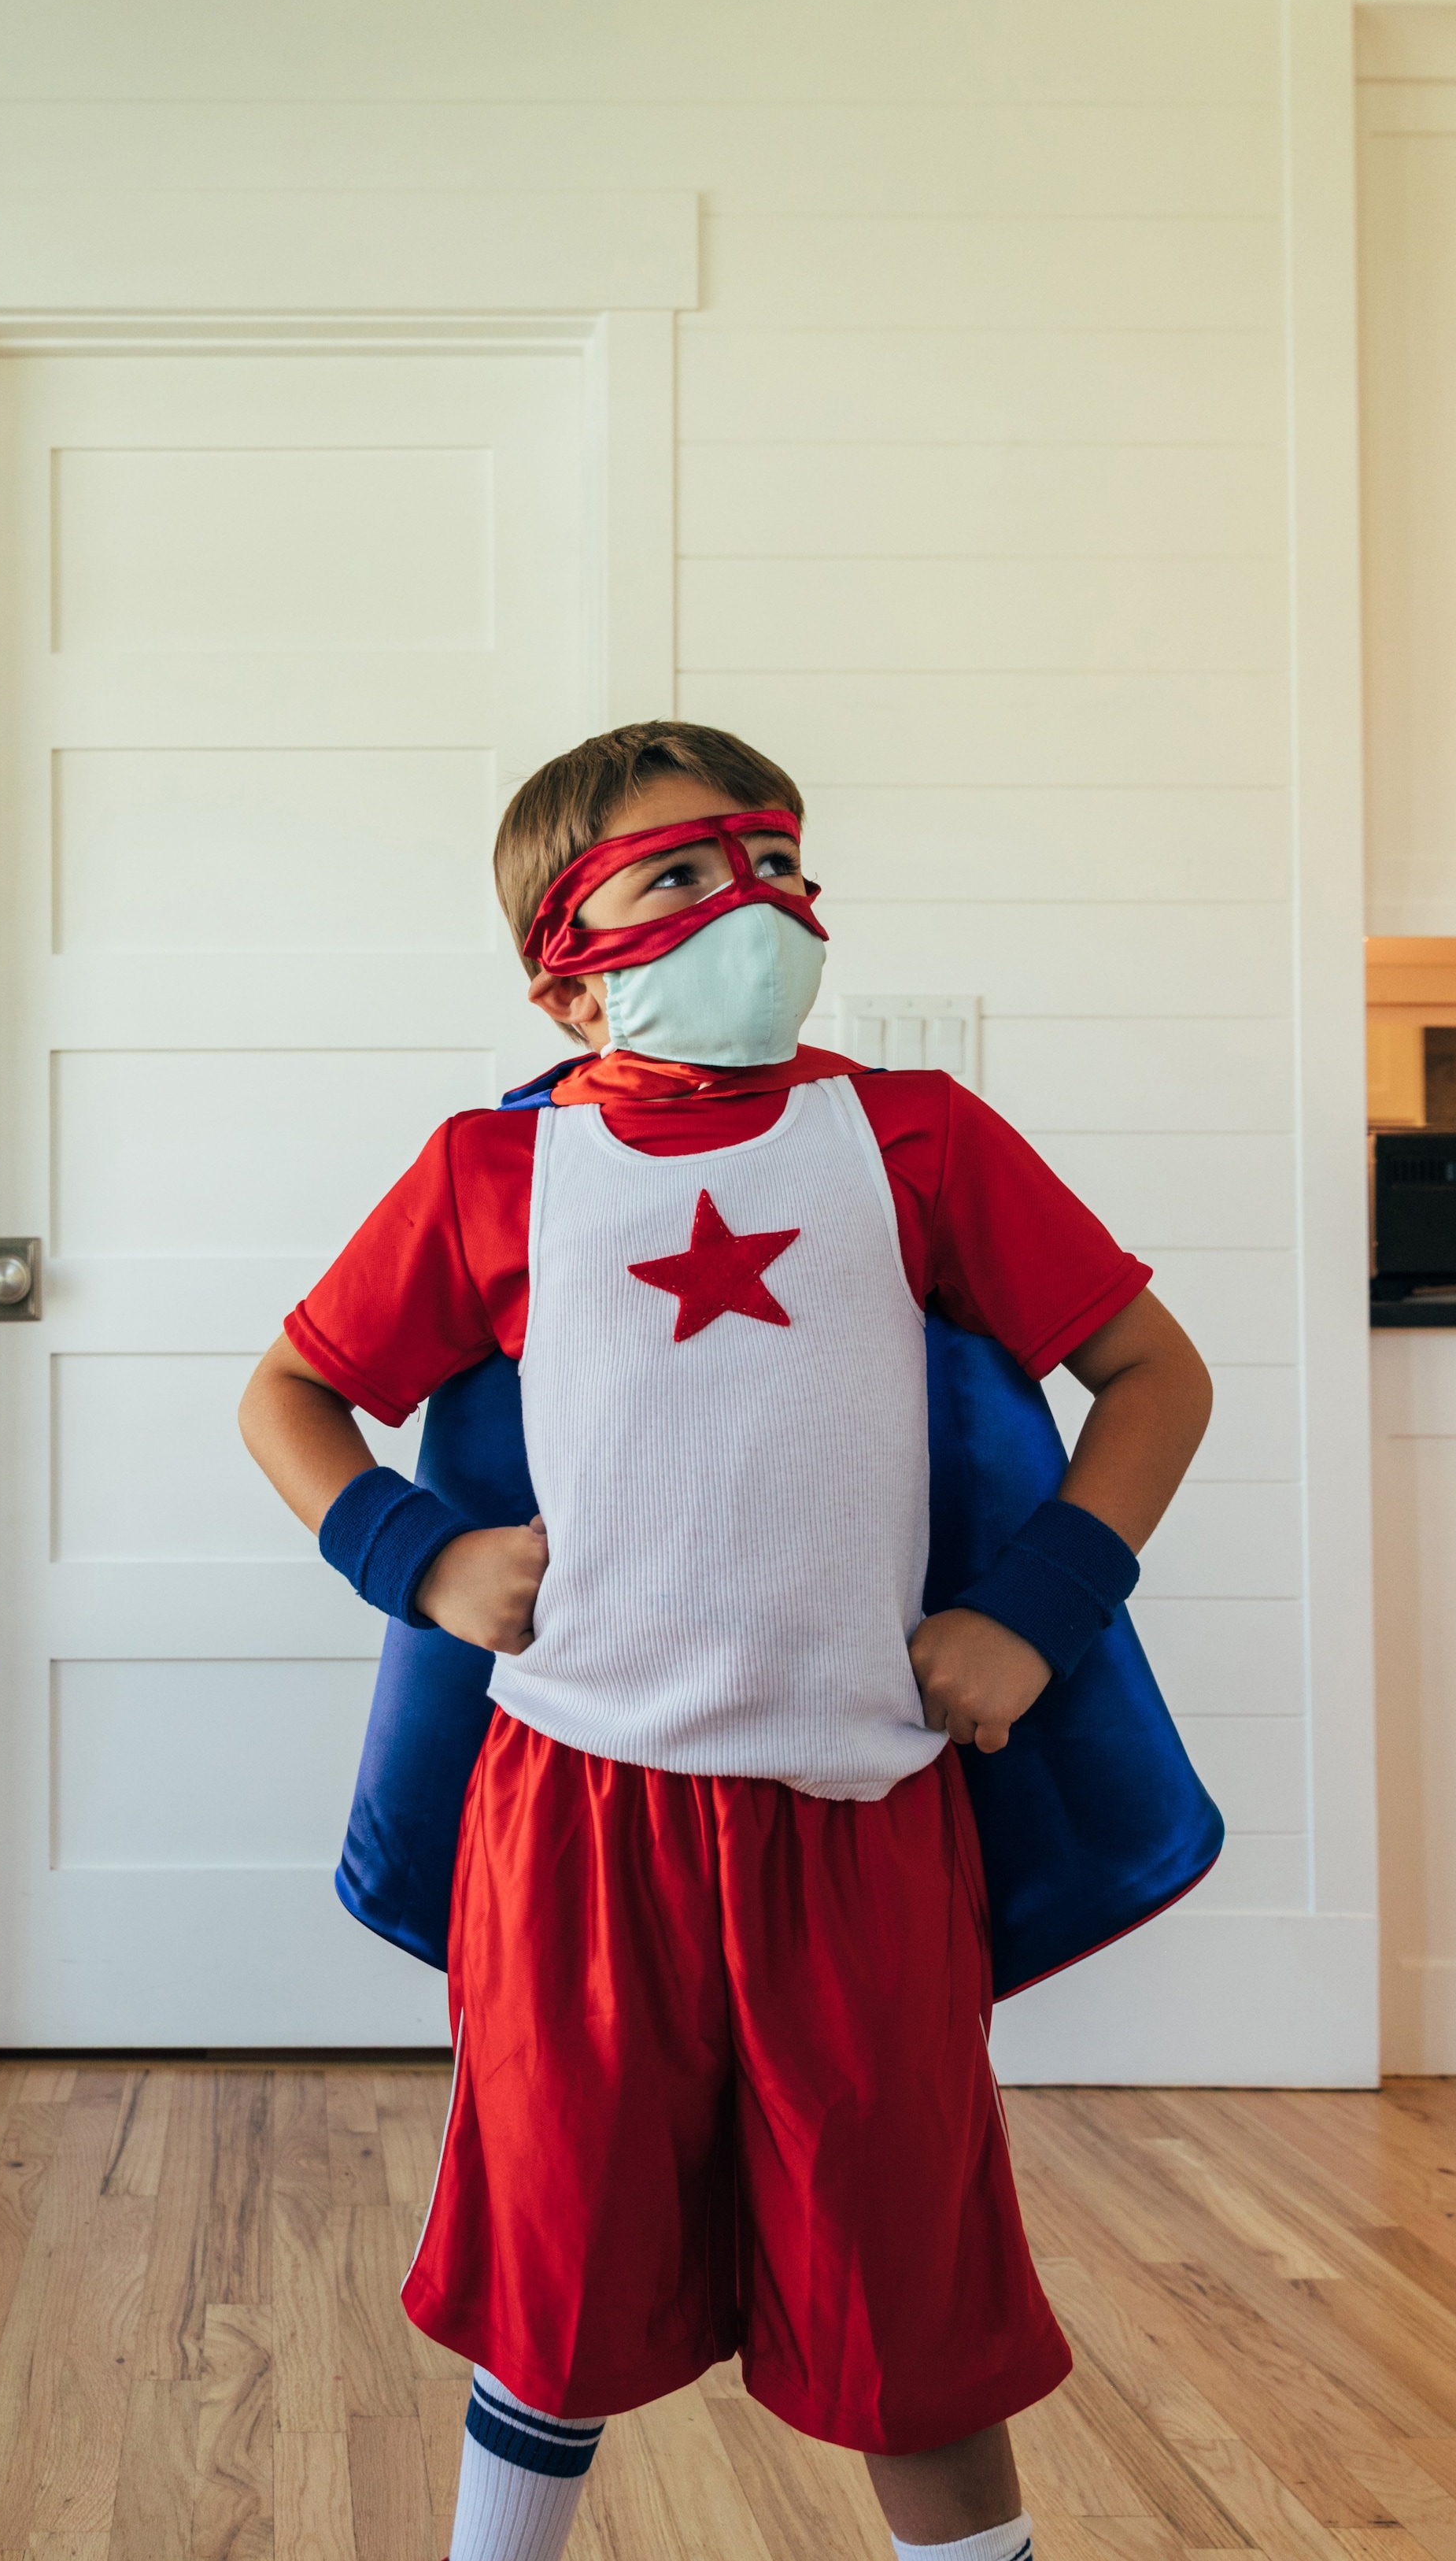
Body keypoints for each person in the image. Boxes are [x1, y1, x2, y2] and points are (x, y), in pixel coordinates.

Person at [235, 721, 1217, 2561]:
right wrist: (418, 1559)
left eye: (773, 866)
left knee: (905, 2289)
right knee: (560, 2260)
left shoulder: (917, 1136)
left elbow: (1156, 1374)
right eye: (682, 876)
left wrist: (1039, 1611)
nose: (746, 907)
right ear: (563, 967)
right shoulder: (485, 1172)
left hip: (855, 1815)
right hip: (576, 1823)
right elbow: (291, 1392)